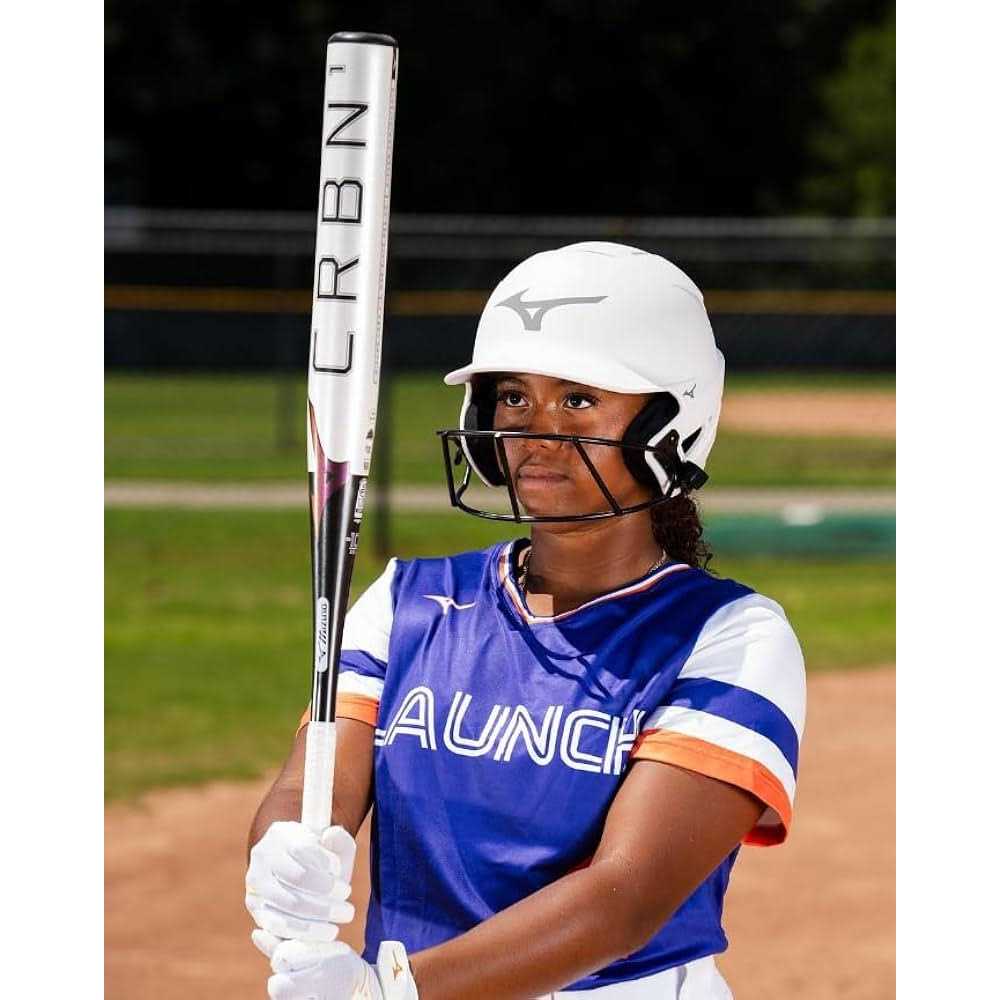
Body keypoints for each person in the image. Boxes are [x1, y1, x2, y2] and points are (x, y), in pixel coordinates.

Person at [246, 243, 807, 999]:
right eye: (514, 396)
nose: (535, 432)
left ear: (671, 421)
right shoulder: (408, 601)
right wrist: (284, 847)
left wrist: (391, 991)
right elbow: (312, 785)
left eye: (578, 399)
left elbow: (623, 901)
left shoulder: (728, 636)